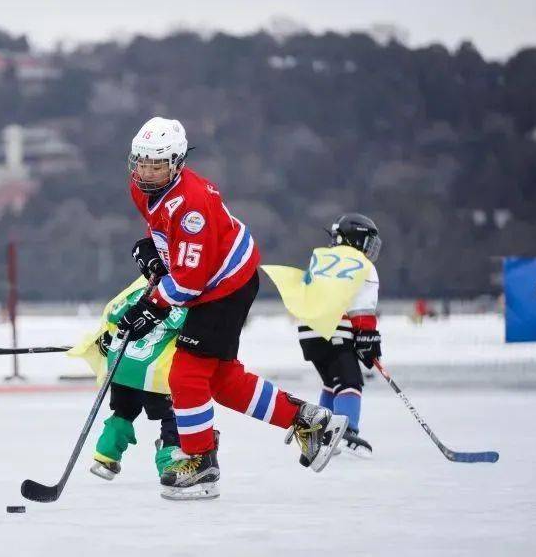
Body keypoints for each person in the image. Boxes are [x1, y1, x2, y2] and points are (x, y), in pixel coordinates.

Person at [118, 116, 348, 500]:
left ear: (176, 163)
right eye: (141, 162)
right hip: (213, 281)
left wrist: (152, 306)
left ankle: (200, 462)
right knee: (221, 380)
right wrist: (154, 253)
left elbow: (190, 282)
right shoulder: (142, 188)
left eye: (156, 164)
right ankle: (310, 421)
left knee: (187, 376)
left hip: (225, 286)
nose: (146, 171)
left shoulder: (193, 205)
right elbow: (162, 229)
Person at [285, 214, 383, 458]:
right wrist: (368, 337)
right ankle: (346, 432)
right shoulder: (362, 265)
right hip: (335, 329)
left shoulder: (320, 258)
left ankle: (319, 432)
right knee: (350, 382)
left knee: (332, 382)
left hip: (308, 332)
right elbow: (362, 307)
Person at [68, 277, 184, 481]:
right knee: (174, 416)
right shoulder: (183, 299)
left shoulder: (138, 293)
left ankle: (105, 457)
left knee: (124, 411)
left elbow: (113, 315)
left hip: (121, 368)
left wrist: (107, 339)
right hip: (155, 374)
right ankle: (170, 464)